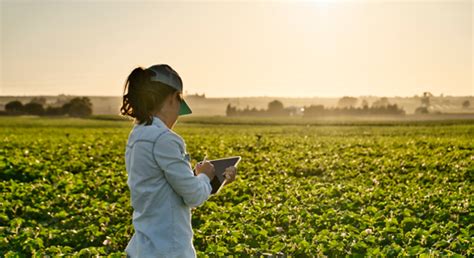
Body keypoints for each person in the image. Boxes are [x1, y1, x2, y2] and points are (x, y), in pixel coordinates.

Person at [120, 64, 237, 257]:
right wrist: (205, 176)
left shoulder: (138, 134)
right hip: (168, 248)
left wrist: (211, 179)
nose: (177, 117)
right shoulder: (165, 139)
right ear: (173, 98)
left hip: (144, 246)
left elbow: (162, 187)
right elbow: (194, 196)